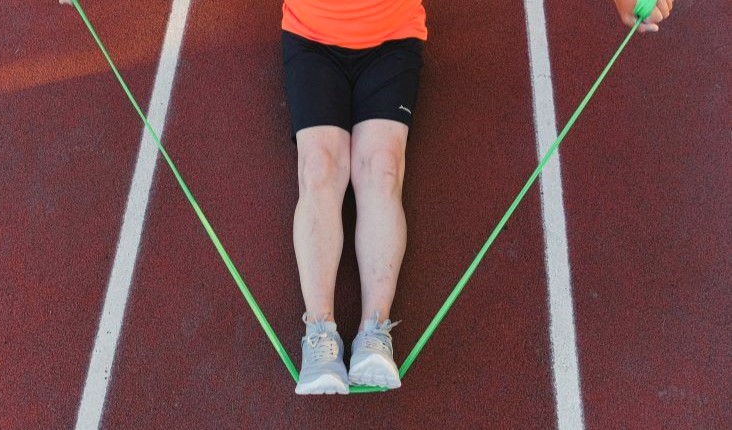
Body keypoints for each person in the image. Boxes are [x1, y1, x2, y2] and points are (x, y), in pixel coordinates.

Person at [282, 0, 674, 395]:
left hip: (392, 39)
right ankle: (319, 335)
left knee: (381, 168)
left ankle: (374, 331)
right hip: (311, 38)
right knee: (318, 167)